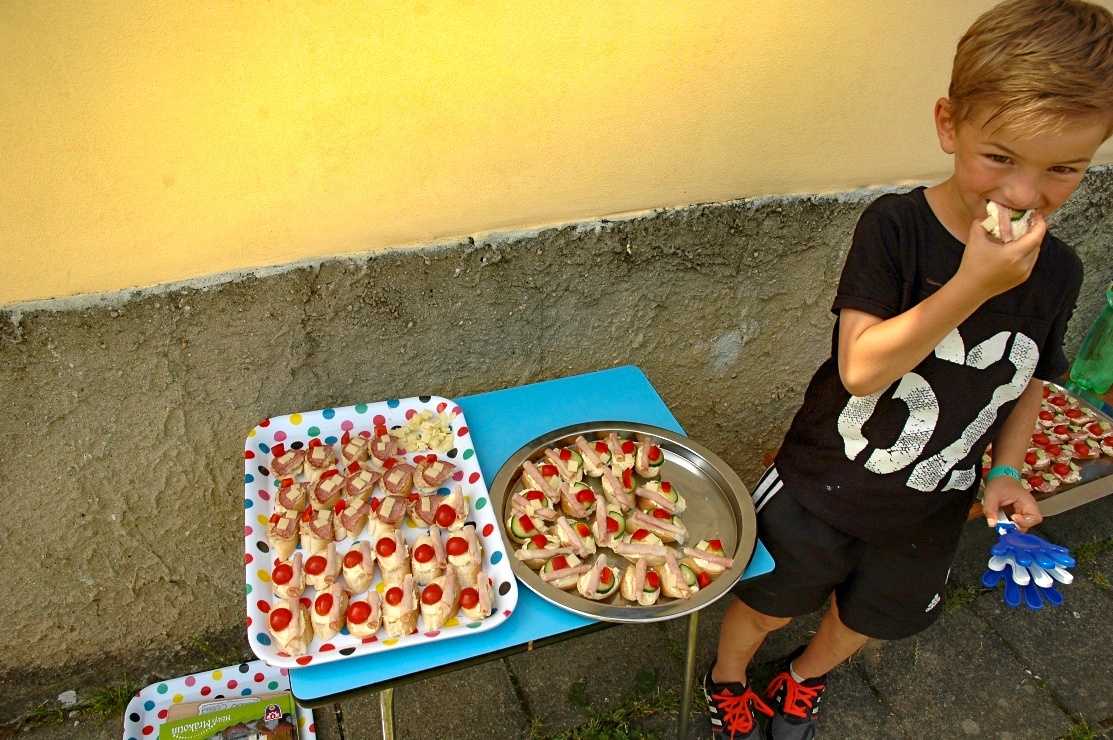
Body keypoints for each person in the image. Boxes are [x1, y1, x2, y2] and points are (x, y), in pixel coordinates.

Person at [702, 1, 1113, 738]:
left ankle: (802, 679)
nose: (1024, 195)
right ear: (949, 125)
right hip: (821, 486)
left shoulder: (1059, 270)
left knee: (870, 617)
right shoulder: (895, 229)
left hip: (932, 508)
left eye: (1064, 169)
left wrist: (1005, 470)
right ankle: (728, 678)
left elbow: (1028, 380)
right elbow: (860, 370)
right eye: (1000, 158)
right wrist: (973, 285)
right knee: (767, 602)